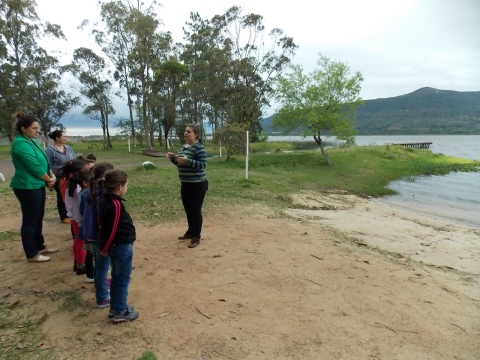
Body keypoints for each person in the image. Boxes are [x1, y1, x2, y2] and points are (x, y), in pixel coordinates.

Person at [10, 112, 58, 262]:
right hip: (27, 186)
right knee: (30, 219)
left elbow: (44, 160)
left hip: (38, 184)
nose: (37, 131)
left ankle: (39, 245)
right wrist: (49, 179)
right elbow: (34, 167)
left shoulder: (33, 141)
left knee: (38, 217)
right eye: (34, 128)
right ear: (23, 128)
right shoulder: (20, 144)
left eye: (37, 128)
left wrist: (51, 175)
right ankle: (31, 253)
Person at [98, 169, 139, 323]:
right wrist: (105, 247)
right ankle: (120, 312)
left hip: (116, 247)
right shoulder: (115, 204)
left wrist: (105, 247)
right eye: (126, 185)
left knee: (116, 277)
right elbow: (112, 229)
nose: (127, 188)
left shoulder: (107, 200)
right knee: (122, 279)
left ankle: (116, 307)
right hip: (120, 247)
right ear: (120, 187)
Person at [166, 124, 208, 248]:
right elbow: (180, 164)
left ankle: (196, 236)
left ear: (196, 134)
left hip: (198, 184)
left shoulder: (199, 148)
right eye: (185, 131)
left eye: (189, 131)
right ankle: (190, 232)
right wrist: (172, 158)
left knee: (195, 211)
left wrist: (188, 161)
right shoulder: (183, 148)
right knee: (188, 210)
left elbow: (203, 164)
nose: (186, 133)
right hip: (185, 184)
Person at [81, 162, 114, 307]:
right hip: (100, 237)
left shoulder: (87, 192)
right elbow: (104, 221)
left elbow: (82, 212)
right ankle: (102, 297)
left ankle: (100, 285)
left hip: (90, 234)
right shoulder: (102, 196)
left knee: (99, 263)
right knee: (102, 265)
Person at [61, 159, 88, 274]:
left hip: (73, 217)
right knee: (81, 242)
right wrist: (81, 219)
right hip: (78, 218)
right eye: (85, 170)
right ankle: (81, 265)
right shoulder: (77, 188)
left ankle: (77, 262)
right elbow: (78, 206)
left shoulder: (67, 183)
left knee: (77, 240)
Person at [45, 130, 75, 224]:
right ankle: (63, 216)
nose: (66, 138)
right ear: (57, 138)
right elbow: (45, 164)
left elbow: (73, 160)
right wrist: (49, 178)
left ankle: (71, 213)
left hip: (69, 176)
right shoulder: (49, 150)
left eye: (66, 136)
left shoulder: (68, 148)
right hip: (57, 177)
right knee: (62, 194)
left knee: (70, 194)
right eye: (64, 136)